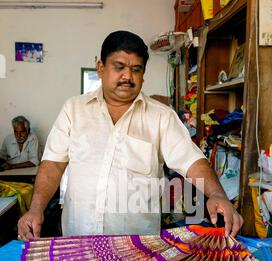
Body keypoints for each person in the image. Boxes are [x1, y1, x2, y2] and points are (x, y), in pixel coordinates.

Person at [18, 30, 244, 241]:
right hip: (78, 241)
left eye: (136, 69)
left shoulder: (160, 117)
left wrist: (217, 194)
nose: (128, 76)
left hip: (139, 246)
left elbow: (190, 160)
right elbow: (53, 165)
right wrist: (36, 209)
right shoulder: (74, 110)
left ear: (143, 75)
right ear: (100, 68)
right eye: (119, 67)